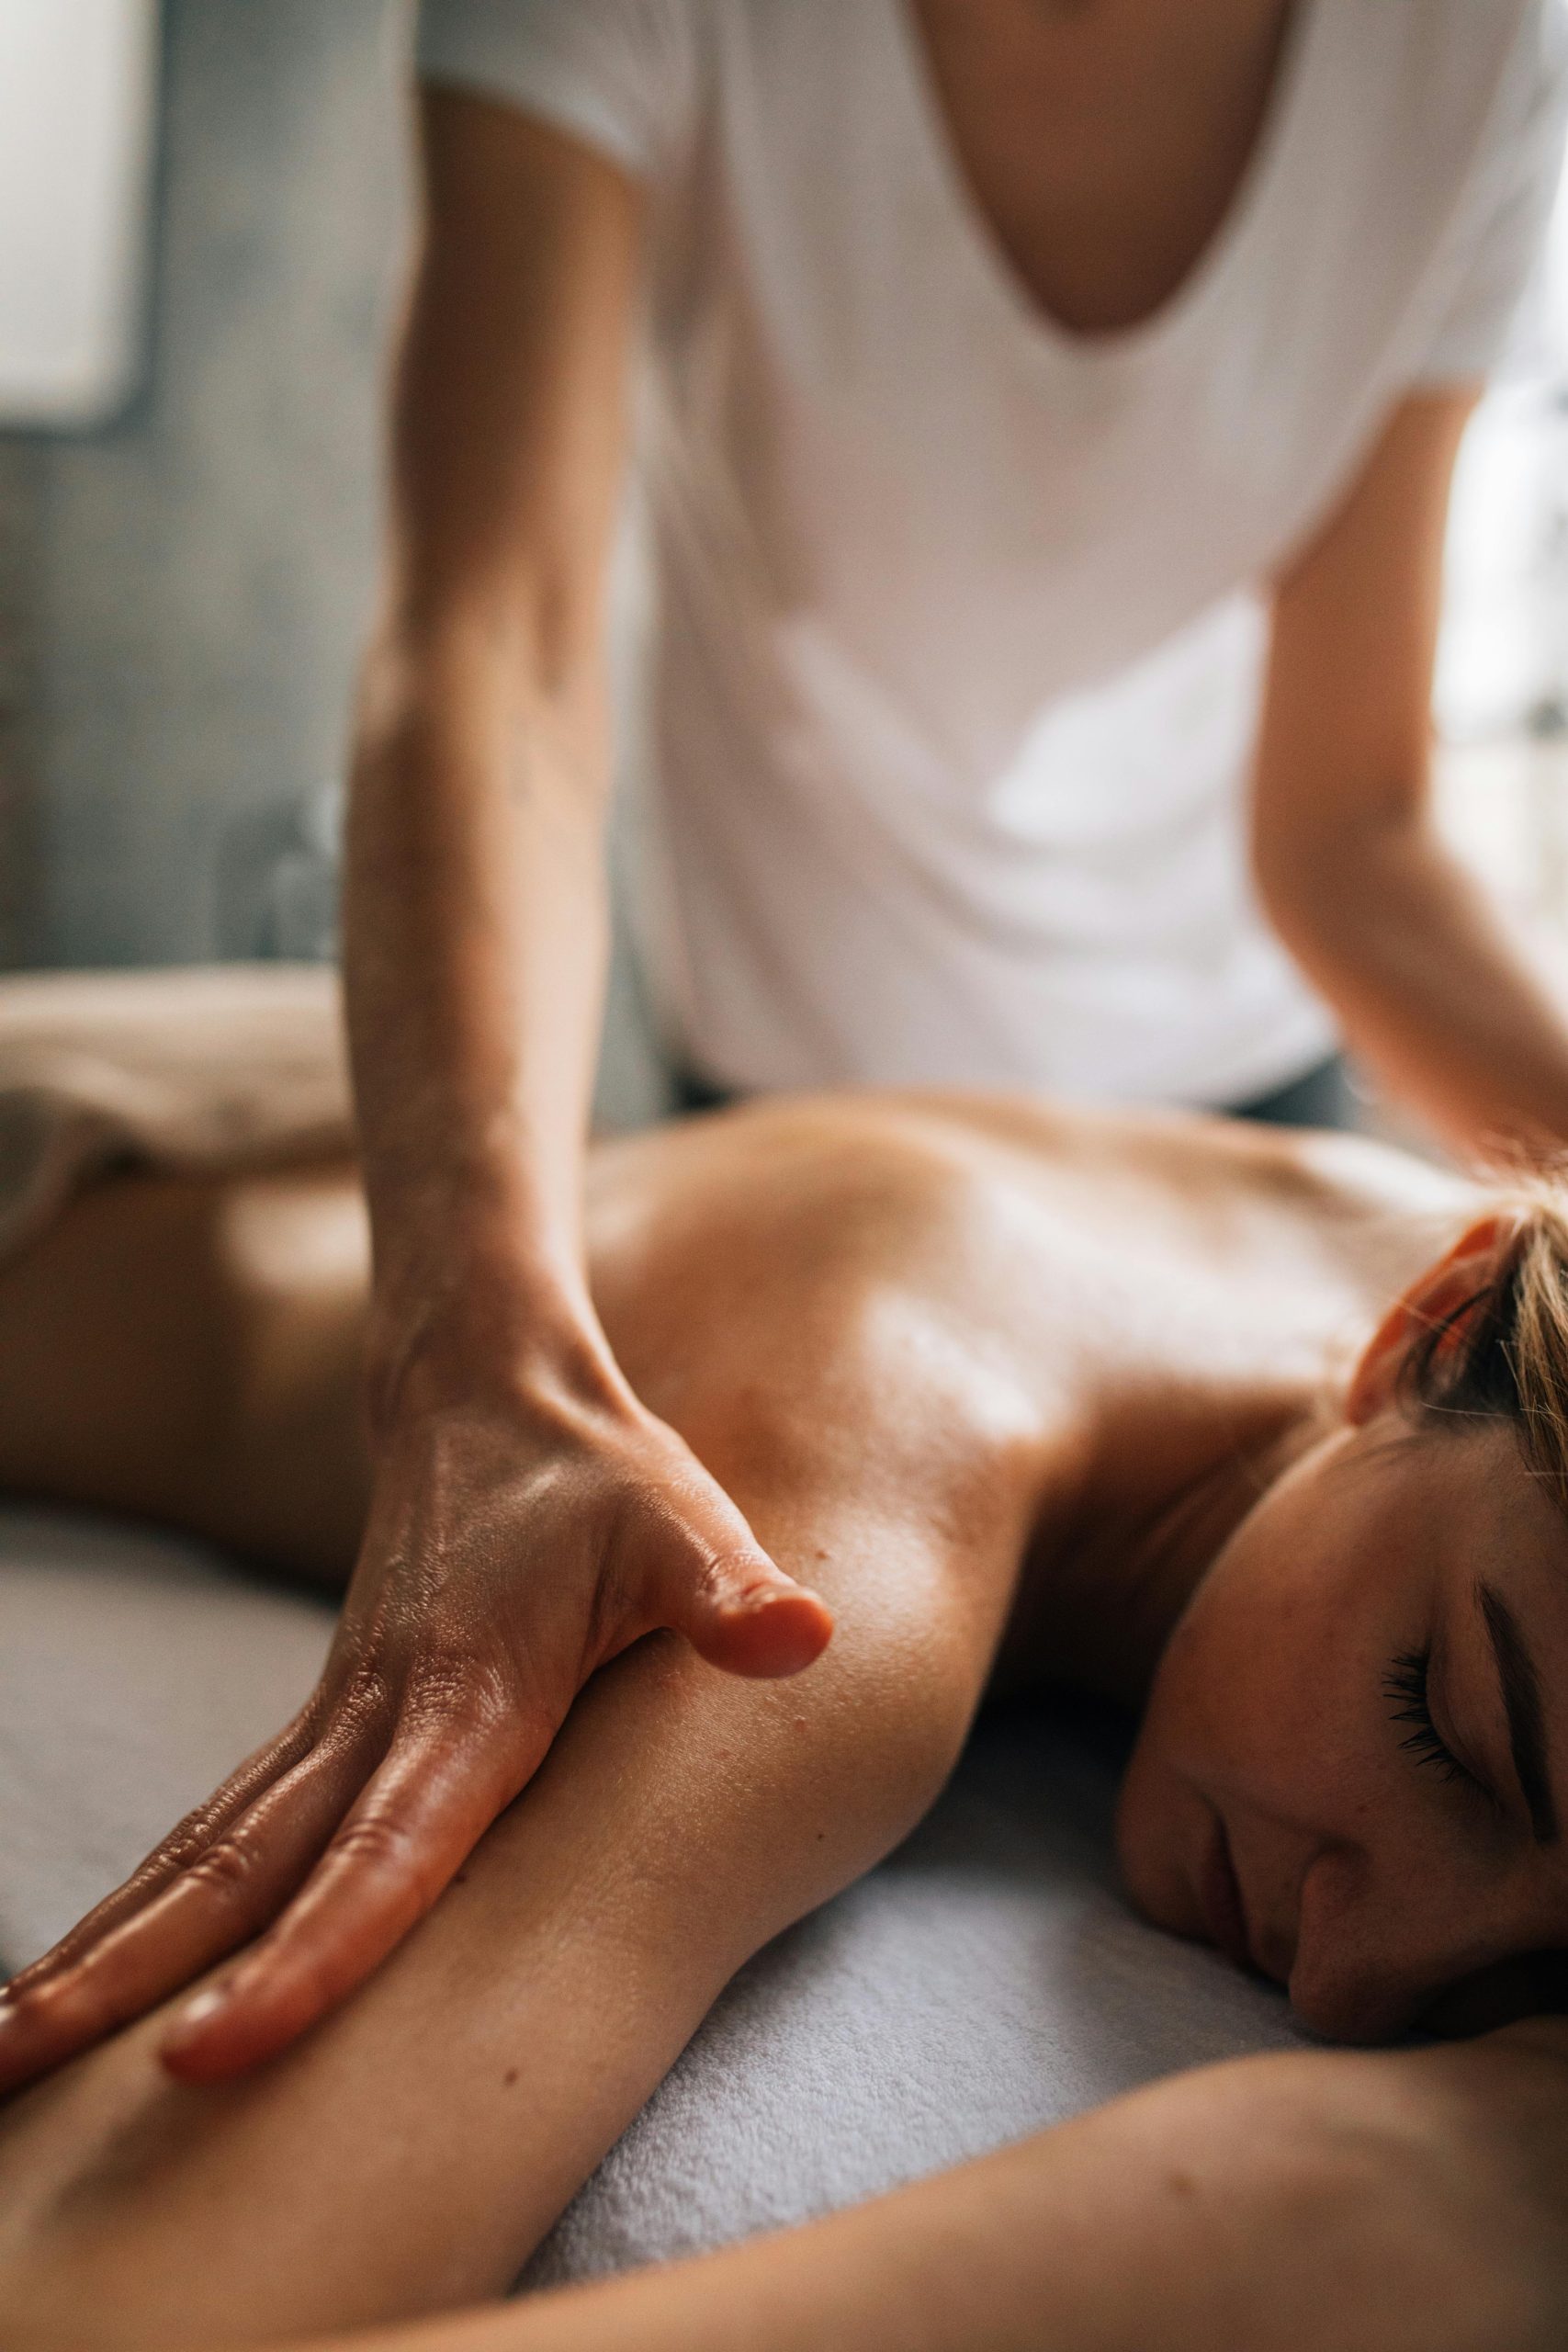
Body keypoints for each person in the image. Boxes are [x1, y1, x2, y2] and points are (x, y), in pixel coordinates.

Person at [236, 0, 1568, 2079]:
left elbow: (1347, 833)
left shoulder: (1473, 45)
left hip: (1230, 1094)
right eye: (1430, 1717)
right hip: (808, 1070)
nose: (1355, 1981)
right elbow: (493, 646)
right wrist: (473, 1347)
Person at [3, 973, 1568, 2348]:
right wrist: (1359, 2208)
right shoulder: (858, 1509)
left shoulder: (1455, 1300)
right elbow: (105, 2304)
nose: (1361, 1983)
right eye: (1438, 1725)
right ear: (1424, 1331)